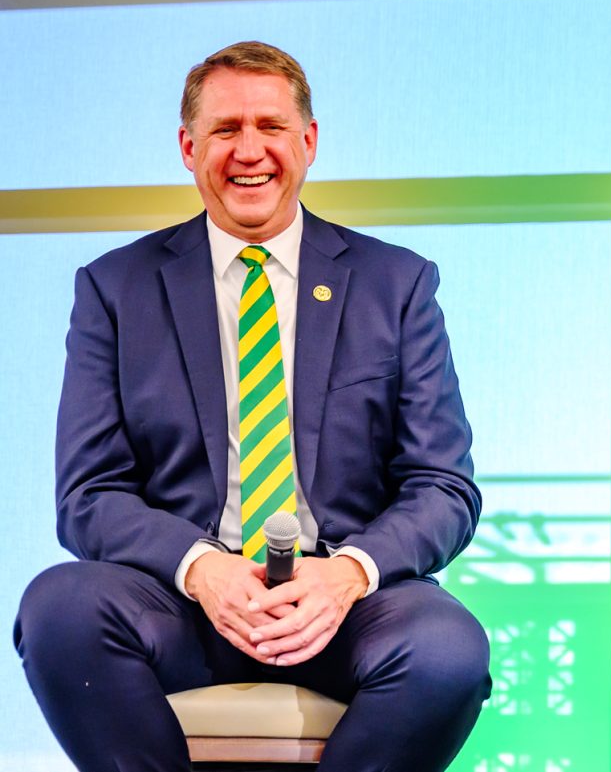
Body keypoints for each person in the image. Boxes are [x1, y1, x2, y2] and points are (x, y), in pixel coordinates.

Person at [15, 41, 490, 772]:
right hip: (185, 606)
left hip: (344, 605)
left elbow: (444, 487)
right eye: (225, 129)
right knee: (59, 610)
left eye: (269, 126)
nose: (249, 151)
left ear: (309, 141)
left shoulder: (396, 284)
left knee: (447, 648)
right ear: (187, 146)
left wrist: (350, 573)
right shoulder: (116, 290)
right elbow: (87, 496)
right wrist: (202, 567)